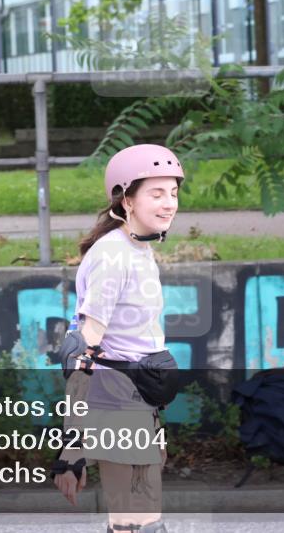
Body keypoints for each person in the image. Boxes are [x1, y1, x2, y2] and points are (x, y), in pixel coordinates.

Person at [52, 143, 183, 533]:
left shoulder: (137, 247)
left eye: (173, 193)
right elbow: (82, 351)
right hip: (116, 398)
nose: (169, 203)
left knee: (129, 522)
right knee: (140, 523)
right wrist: (71, 445)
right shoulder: (114, 256)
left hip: (136, 397)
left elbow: (134, 341)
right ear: (126, 200)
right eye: (156, 193)